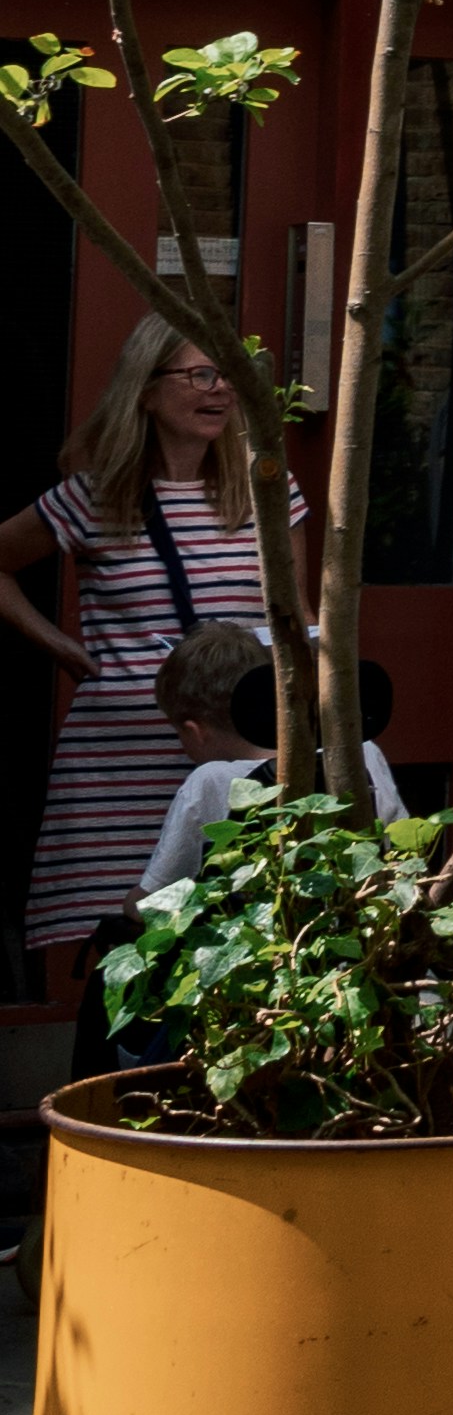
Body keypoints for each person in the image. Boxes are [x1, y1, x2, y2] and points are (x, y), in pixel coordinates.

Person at [0, 318, 294, 988]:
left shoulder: (265, 492)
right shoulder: (93, 497)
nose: (220, 389)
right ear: (147, 390)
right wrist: (66, 650)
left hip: (235, 759)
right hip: (118, 768)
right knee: (124, 958)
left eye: (227, 375)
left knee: (236, 946)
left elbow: (295, 613)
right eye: (200, 374)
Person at [141, 632, 404, 890]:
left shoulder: (209, 781)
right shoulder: (364, 750)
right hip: (366, 908)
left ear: (195, 732)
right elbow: (400, 844)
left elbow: (158, 894)